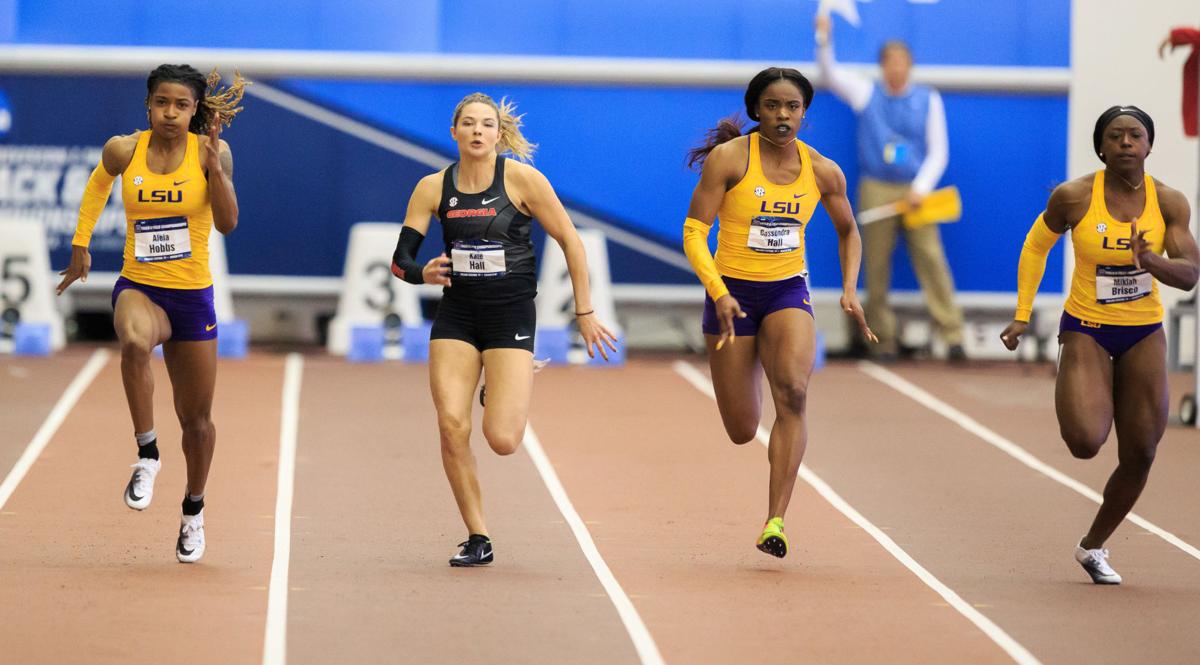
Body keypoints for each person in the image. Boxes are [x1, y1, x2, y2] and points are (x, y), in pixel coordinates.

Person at [390, 92, 618, 567]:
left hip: (511, 314)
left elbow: (571, 241)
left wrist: (585, 311)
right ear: (454, 132)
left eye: (486, 125)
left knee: (503, 440)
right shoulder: (432, 187)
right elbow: (400, 260)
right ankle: (478, 535)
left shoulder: (522, 180)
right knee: (452, 426)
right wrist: (422, 274)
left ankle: (506, 377)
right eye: (468, 124)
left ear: (499, 134)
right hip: (457, 315)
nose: (477, 131)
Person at [682, 67, 875, 558]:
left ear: (804, 113)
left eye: (792, 107)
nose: (783, 115)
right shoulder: (729, 160)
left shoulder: (824, 171)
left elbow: (850, 230)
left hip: (788, 290)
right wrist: (718, 290)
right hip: (731, 294)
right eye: (772, 106)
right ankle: (751, 383)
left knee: (793, 391)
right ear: (756, 110)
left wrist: (851, 288)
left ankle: (776, 521)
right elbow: (693, 231)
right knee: (743, 428)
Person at [1000, 106, 1198, 584]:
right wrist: (1022, 314)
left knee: (1142, 453)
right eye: (1116, 136)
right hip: (1087, 324)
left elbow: (1190, 274)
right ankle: (1089, 389)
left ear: (1149, 145)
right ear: (1101, 146)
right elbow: (1035, 246)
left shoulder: (1169, 202)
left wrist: (1150, 261)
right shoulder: (1074, 197)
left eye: (1136, 135)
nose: (1126, 143)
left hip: (1144, 330)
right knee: (1086, 441)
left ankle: (1093, 547)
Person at [57, 64, 245, 563]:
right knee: (134, 342)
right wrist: (81, 245)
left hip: (192, 298)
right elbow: (99, 184)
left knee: (198, 422)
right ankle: (146, 454)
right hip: (139, 285)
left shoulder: (213, 152)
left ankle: (193, 511)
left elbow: (227, 223)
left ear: (194, 111)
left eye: (182, 106)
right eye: (162, 103)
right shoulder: (125, 148)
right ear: (148, 105)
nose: (170, 113)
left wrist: (215, 171)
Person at [815, 15, 965, 361]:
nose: (896, 69)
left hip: (916, 192)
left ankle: (952, 333)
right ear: (882, 66)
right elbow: (828, 74)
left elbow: (938, 151)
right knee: (874, 265)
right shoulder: (866, 93)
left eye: (902, 63)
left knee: (931, 259)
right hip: (876, 187)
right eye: (889, 63)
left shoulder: (929, 99)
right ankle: (879, 337)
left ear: (910, 66)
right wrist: (824, 39)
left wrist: (921, 187)